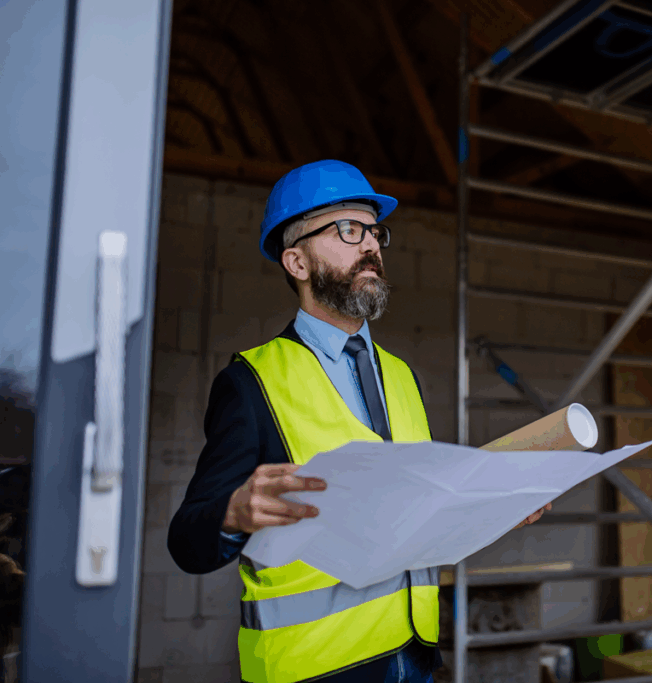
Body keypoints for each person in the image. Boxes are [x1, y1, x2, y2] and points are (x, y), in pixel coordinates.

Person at [167, 160, 551, 683]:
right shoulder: (250, 381)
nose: (370, 245)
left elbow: (416, 511)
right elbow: (186, 541)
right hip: (316, 670)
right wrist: (232, 512)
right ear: (297, 261)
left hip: (414, 657)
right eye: (348, 230)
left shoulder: (401, 376)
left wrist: (494, 505)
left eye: (374, 231)